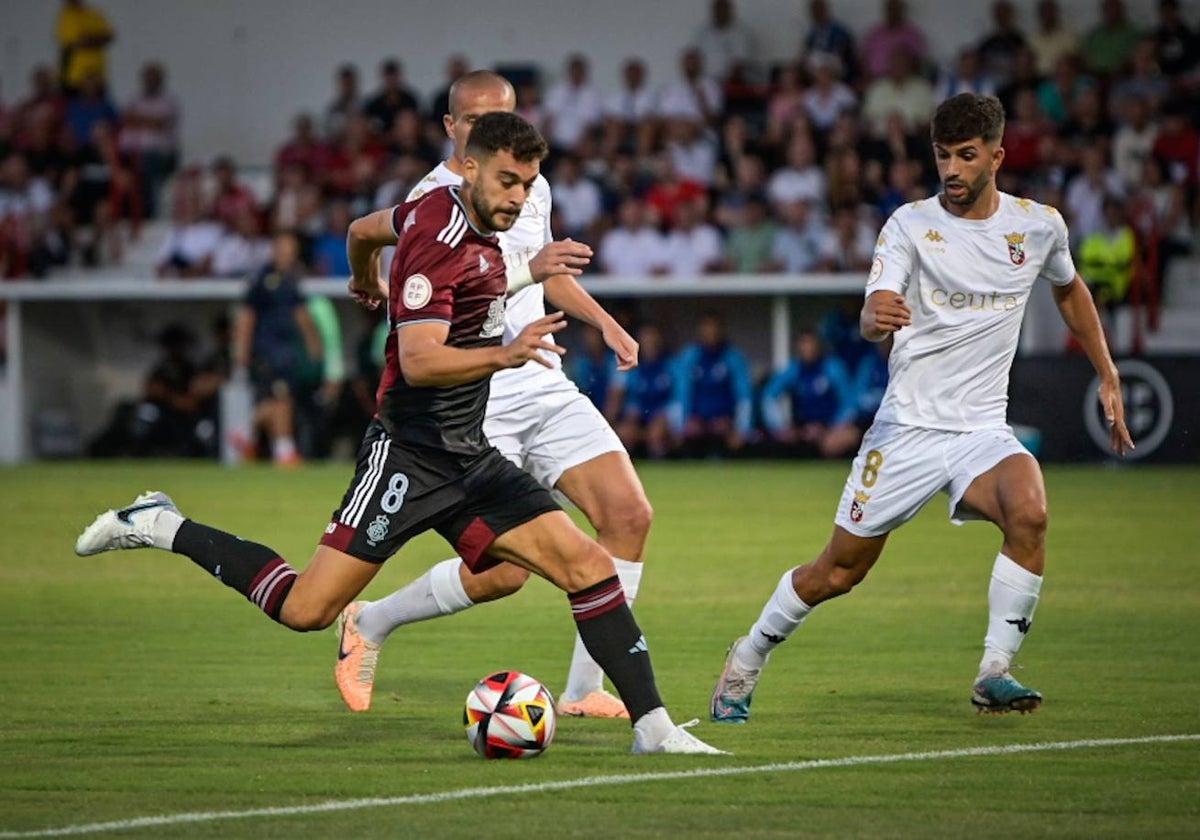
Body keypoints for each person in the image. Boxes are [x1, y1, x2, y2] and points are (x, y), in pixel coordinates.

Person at [75, 111, 723, 756]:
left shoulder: (444, 215)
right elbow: (420, 359)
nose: (519, 198)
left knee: (585, 565)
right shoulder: (436, 241)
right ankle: (162, 524)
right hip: (408, 461)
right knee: (306, 610)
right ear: (467, 164)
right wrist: (506, 351)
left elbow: (363, 230)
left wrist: (364, 276)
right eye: (507, 181)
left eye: (527, 184)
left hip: (471, 455)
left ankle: (654, 731)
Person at [710, 93, 1133, 725]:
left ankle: (995, 671)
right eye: (943, 156)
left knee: (1032, 511)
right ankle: (745, 658)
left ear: (998, 154)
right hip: (905, 430)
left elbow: (1070, 289)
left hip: (982, 431)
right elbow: (874, 306)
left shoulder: (1038, 226)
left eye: (967, 156)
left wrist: (1106, 369)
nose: (953, 170)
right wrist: (873, 319)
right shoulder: (909, 225)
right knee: (837, 572)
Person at [334, 72, 661, 722]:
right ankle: (370, 620)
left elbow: (543, 268)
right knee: (505, 573)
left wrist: (607, 322)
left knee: (628, 515)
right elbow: (450, 299)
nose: (490, 131)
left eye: (502, 117)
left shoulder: (526, 180)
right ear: (452, 127)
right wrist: (365, 274)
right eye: (475, 120)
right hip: (477, 390)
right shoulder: (430, 201)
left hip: (541, 374)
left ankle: (581, 690)